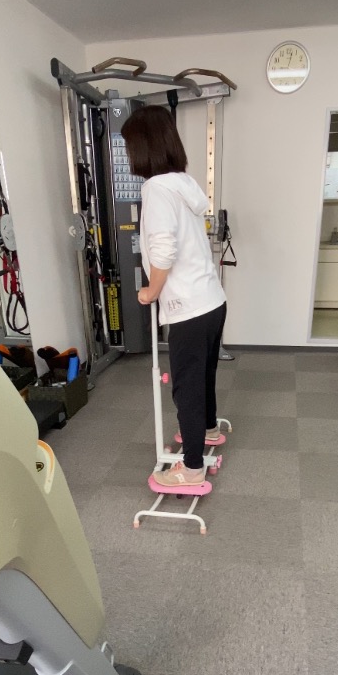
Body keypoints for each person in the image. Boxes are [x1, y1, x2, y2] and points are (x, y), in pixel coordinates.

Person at [120, 105, 227, 488]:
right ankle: (208, 430)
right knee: (204, 375)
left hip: (188, 308)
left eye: (129, 146)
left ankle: (192, 468)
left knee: (186, 387)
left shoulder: (156, 189)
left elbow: (163, 250)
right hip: (212, 300)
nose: (128, 154)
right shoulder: (183, 183)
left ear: (143, 146)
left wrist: (150, 291)